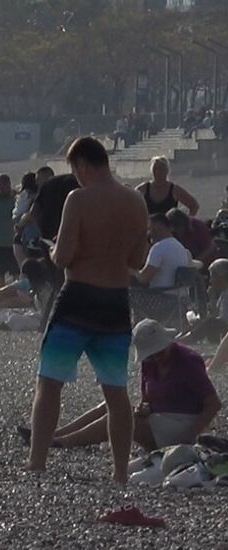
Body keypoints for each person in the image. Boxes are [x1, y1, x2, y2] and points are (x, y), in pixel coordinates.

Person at [25, 137, 149, 483]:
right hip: (115, 302)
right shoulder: (136, 201)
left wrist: (51, 253)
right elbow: (137, 260)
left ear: (82, 165)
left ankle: (37, 461)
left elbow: (63, 255)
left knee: (49, 382)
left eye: (75, 169)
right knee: (116, 392)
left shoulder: (78, 199)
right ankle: (120, 472)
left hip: (78, 297)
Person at [22, 320, 220, 452]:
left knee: (120, 415)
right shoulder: (150, 362)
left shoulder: (187, 361)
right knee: (110, 404)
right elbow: (147, 399)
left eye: (159, 351)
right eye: (152, 353)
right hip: (159, 419)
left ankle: (64, 442)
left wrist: (192, 434)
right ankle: (55, 433)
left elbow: (213, 404)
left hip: (184, 423)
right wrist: (145, 407)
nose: (156, 356)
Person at [178, 258, 228, 344]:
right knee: (203, 322)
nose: (211, 281)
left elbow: (222, 322)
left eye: (212, 277)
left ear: (221, 277)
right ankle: (181, 338)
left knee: (209, 324)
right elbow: (216, 314)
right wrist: (211, 298)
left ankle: (182, 341)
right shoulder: (223, 293)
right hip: (223, 330)